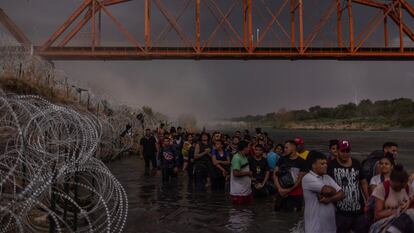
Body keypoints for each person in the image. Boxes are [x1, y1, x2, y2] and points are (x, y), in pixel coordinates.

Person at [327, 139, 370, 233]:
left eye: (347, 151)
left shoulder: (356, 163)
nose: (345, 153)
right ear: (337, 151)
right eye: (343, 151)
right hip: (340, 211)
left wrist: (367, 199)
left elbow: (363, 181)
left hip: (358, 210)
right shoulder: (331, 165)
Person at [302, 151, 345, 233]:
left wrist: (330, 199)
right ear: (313, 165)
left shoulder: (327, 177)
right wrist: (334, 192)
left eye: (326, 163)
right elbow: (327, 190)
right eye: (322, 164)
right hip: (314, 228)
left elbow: (342, 194)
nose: (325, 166)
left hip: (330, 228)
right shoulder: (308, 178)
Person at [273, 140, 307, 212]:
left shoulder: (302, 162)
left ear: (293, 147)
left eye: (286, 148)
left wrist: (288, 190)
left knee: (294, 217)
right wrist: (279, 189)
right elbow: (275, 174)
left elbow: (299, 180)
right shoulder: (282, 159)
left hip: (295, 194)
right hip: (281, 192)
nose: (284, 150)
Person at [230, 140, 253, 204]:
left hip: (246, 190)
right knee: (238, 211)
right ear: (244, 148)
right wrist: (248, 173)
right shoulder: (237, 158)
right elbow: (235, 173)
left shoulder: (244, 156)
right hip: (238, 192)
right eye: (248, 147)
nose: (249, 149)